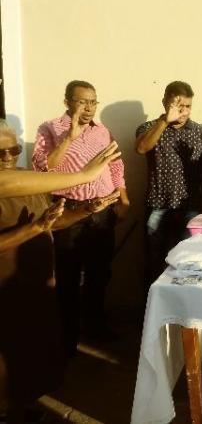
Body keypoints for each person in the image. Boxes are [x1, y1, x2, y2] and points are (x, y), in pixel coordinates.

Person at [0, 123, 119, 423]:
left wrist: (86, 210)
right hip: (5, 289)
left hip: (35, 286)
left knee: (30, 351)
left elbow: (54, 221)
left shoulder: (28, 180)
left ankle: (20, 405)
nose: (8, 156)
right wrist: (34, 228)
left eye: (13, 149)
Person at [32, 80, 129, 353]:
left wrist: (123, 198)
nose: (89, 108)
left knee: (100, 272)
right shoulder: (50, 128)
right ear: (67, 102)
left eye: (93, 101)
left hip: (103, 210)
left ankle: (95, 327)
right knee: (68, 275)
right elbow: (43, 168)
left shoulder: (102, 131)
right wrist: (69, 138)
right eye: (82, 101)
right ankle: (68, 338)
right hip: (70, 210)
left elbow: (116, 164)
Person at [135, 81, 202, 290]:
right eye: (178, 106)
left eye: (187, 106)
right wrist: (164, 122)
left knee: (188, 264)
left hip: (191, 209)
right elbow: (142, 148)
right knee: (154, 264)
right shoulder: (148, 128)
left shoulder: (201, 133)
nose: (184, 111)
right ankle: (151, 317)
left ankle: (184, 317)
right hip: (158, 206)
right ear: (165, 103)